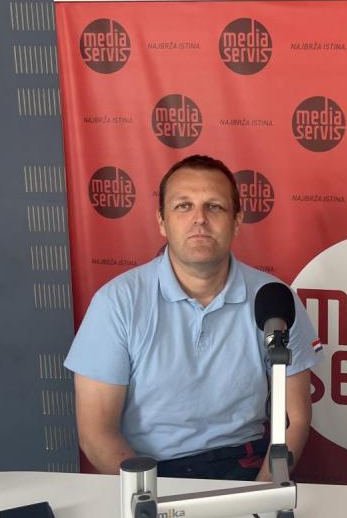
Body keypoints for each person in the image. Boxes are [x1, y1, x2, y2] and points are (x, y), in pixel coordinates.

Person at [65, 154, 322, 480]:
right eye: (183, 206)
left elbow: (294, 419)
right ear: (162, 221)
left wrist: (261, 494)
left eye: (214, 206)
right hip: (146, 471)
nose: (199, 219)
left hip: (244, 467)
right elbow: (96, 432)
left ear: (237, 221)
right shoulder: (117, 302)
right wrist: (151, 498)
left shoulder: (274, 299)